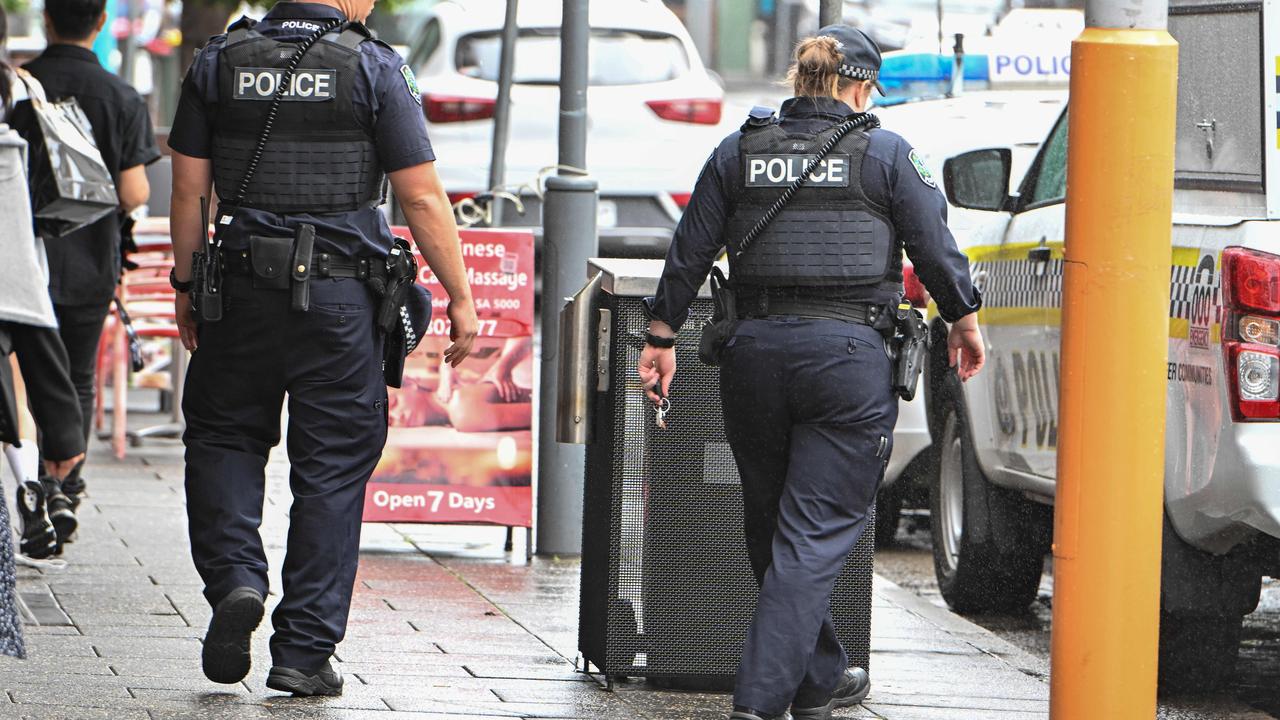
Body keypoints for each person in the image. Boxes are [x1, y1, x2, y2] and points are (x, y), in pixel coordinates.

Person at [637, 26, 986, 720]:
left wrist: (660, 335)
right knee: (811, 534)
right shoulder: (886, 154)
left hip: (755, 358)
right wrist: (965, 322)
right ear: (860, 88)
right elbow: (937, 250)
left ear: (800, 81)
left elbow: (689, 249)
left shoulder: (737, 150)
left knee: (774, 531)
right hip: (848, 363)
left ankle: (821, 677)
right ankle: (758, 704)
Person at [166, 0, 478, 697]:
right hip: (340, 303)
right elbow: (422, 198)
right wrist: (460, 295)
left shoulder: (218, 61)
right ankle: (303, 652)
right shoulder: (371, 65)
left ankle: (236, 580)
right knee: (332, 469)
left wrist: (186, 288)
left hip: (239, 293)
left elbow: (190, 191)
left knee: (222, 437)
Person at [9, 0, 161, 549]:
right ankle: (64, 481)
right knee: (76, 376)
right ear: (100, 24)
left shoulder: (19, 89)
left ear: (47, 20)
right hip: (93, 260)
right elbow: (134, 192)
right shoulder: (121, 96)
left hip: (23, 262)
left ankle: (35, 480)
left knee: (22, 377)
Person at [0, 12, 87, 562]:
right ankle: (31, 481)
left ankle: (32, 483)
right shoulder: (19, 86)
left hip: (19, 264)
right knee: (19, 376)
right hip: (17, 261)